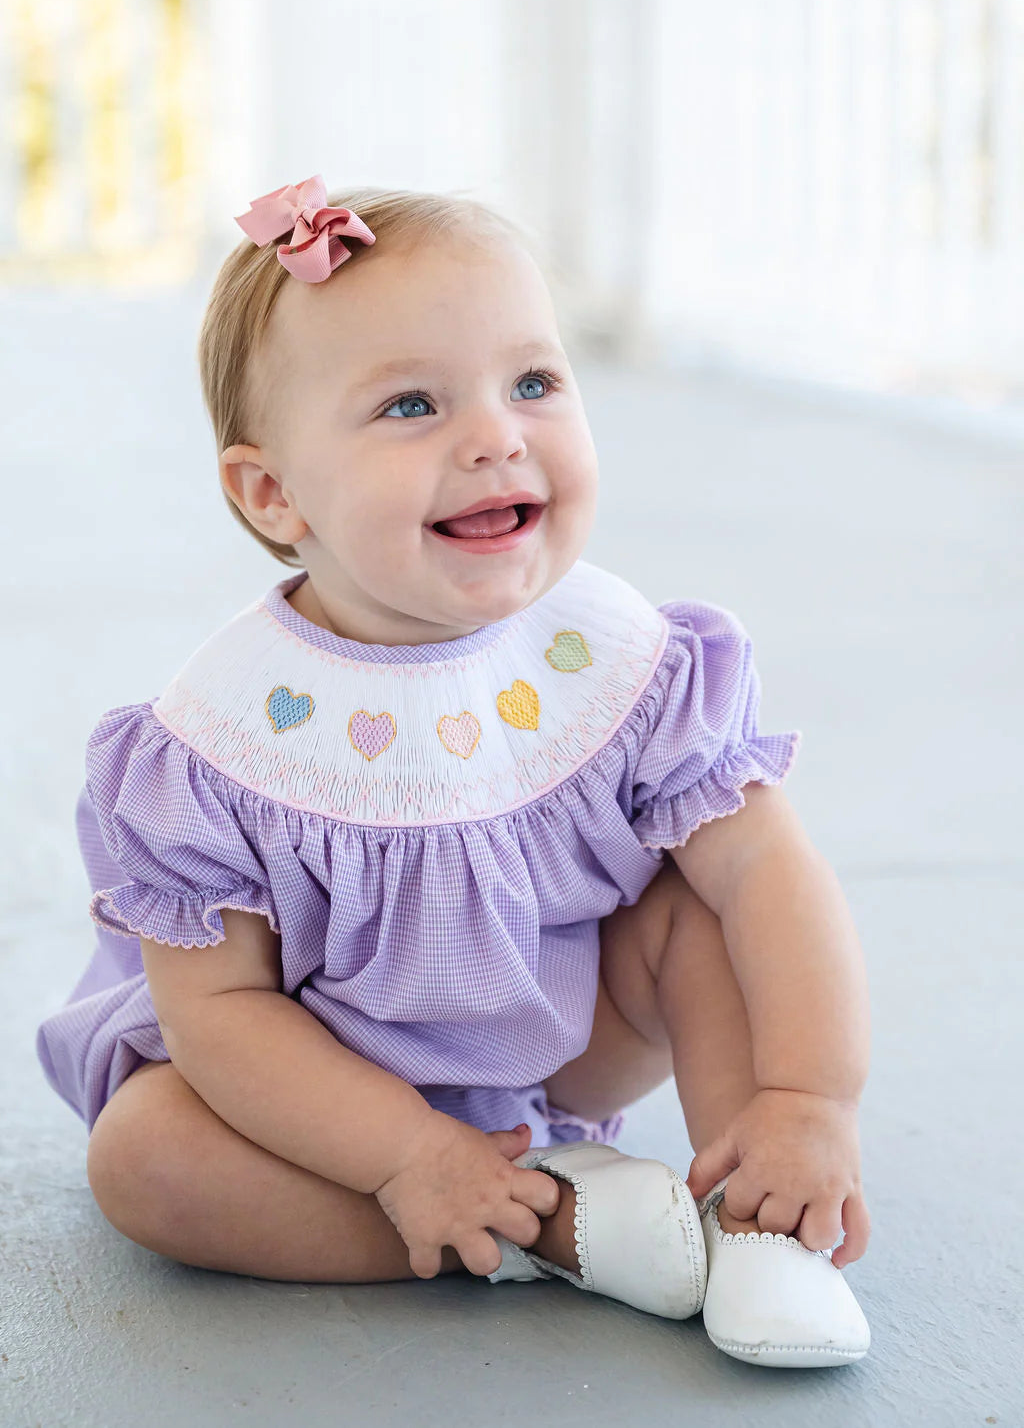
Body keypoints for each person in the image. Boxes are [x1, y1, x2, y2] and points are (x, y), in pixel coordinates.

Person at [36, 174, 872, 1368]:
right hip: (314, 1111)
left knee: (704, 898)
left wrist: (810, 1098)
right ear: (273, 493)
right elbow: (220, 1017)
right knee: (145, 1160)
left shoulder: (623, 664)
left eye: (532, 383)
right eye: (412, 405)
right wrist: (404, 1154)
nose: (496, 436)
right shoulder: (217, 747)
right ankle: (555, 1230)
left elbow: (772, 877)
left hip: (565, 1031)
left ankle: (756, 1222)